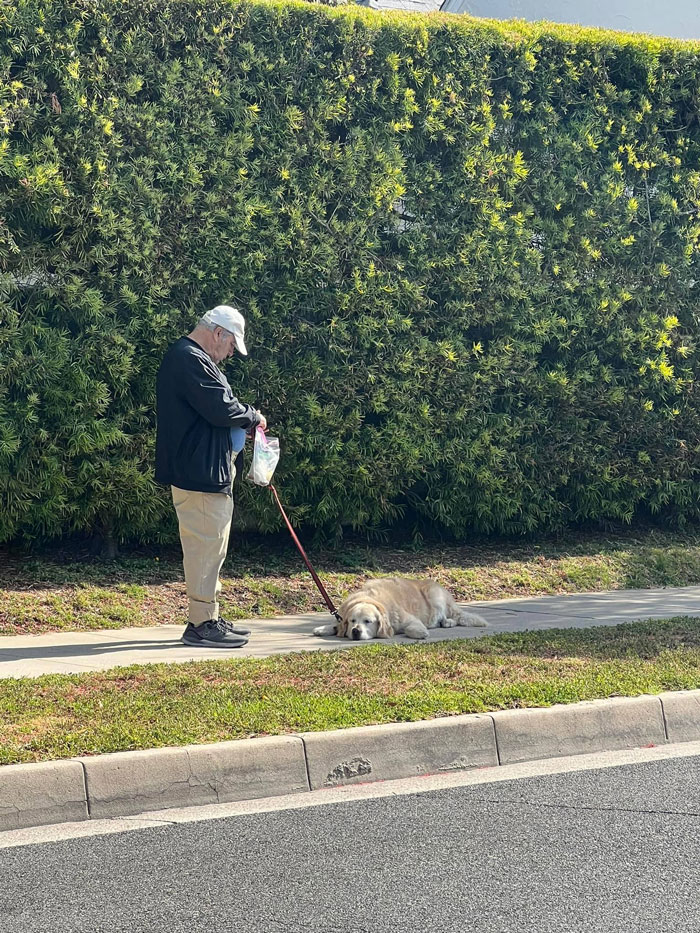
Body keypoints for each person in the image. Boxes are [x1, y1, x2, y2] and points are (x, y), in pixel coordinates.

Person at [155, 304, 267, 648]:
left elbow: (216, 408)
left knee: (211, 547)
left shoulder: (191, 358)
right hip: (199, 473)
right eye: (232, 345)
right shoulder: (189, 358)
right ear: (218, 333)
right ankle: (201, 624)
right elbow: (220, 409)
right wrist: (253, 417)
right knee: (205, 549)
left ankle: (209, 617)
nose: (231, 353)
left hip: (204, 470)